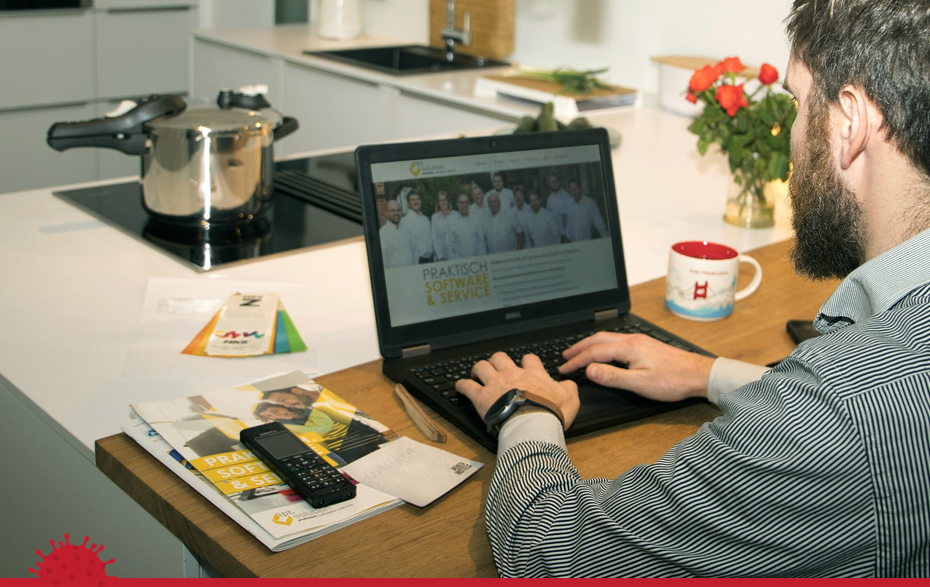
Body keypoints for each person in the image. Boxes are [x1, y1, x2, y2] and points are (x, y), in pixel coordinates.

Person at [454, 0, 930, 577]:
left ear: (849, 122)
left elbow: (549, 550)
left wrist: (528, 408)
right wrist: (706, 374)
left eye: (797, 103)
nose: (793, 133)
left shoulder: (839, 410)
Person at [447, 192, 488, 259]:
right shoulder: (452, 222)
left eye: (466, 202)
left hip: (477, 262)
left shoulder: (476, 220)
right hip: (459, 263)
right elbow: (449, 246)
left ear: (469, 204)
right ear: (457, 204)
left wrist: (481, 260)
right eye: (461, 202)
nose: (464, 205)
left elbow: (482, 243)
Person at [400, 189, 434, 263]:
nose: (416, 202)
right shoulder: (405, 221)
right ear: (408, 203)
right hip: (418, 261)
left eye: (418, 199)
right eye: (413, 200)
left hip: (431, 260)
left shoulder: (426, 219)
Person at [379, 198, 415, 268]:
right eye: (392, 210)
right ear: (386, 213)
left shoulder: (407, 230)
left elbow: (414, 251)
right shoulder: (383, 233)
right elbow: (383, 260)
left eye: (398, 210)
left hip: (411, 272)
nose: (396, 213)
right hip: (395, 275)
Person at [544, 172, 572, 242]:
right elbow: (548, 216)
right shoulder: (550, 198)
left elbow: (570, 217)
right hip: (554, 234)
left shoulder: (567, 196)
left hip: (566, 234)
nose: (554, 184)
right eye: (552, 182)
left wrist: (566, 234)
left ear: (559, 182)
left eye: (556, 181)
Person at [431, 190, 457, 261]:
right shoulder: (435, 217)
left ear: (448, 201)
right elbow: (434, 238)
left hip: (455, 256)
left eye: (445, 199)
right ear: (438, 203)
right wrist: (440, 256)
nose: (443, 202)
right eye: (440, 200)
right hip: (440, 257)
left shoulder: (456, 215)